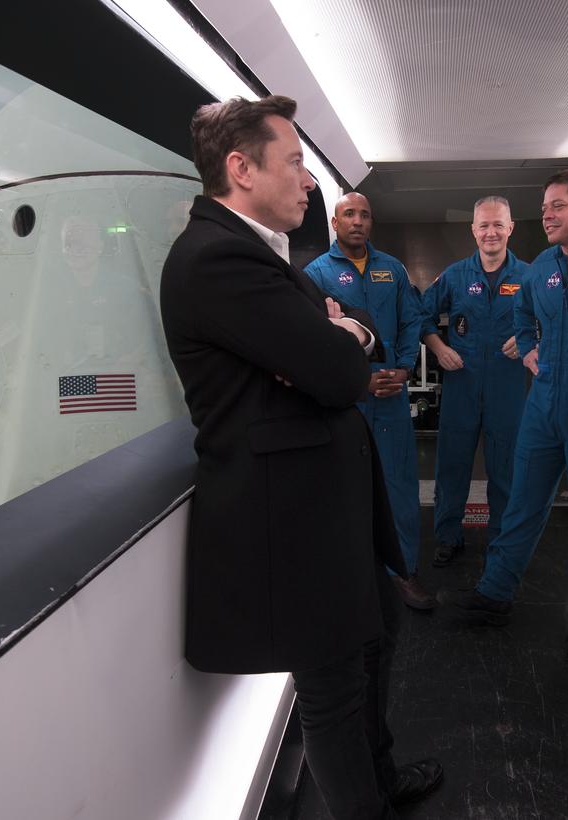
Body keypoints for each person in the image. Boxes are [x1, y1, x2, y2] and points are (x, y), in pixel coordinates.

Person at [159, 95, 441, 819]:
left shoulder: (260, 257)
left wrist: (340, 333)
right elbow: (340, 373)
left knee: (380, 636)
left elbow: (352, 343)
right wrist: (336, 342)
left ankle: (379, 782)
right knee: (334, 689)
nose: (310, 183)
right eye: (295, 163)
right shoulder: (218, 258)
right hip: (294, 518)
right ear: (240, 168)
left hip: (332, 507)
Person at [440, 169, 568, 656]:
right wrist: (527, 347)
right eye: (544, 207)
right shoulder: (543, 265)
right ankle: (495, 593)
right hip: (543, 404)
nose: (546, 214)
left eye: (558, 205)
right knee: (521, 502)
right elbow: (525, 315)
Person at [305, 193, 432, 610]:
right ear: (334, 221)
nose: (357, 221)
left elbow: (411, 320)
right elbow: (315, 344)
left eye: (364, 215)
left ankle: (403, 573)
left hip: (392, 398)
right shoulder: (315, 275)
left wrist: (406, 367)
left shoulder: (391, 269)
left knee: (399, 486)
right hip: (346, 403)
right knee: (346, 490)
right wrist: (361, 382)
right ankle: (355, 579)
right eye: (349, 214)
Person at [420, 196, 528, 566]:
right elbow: (421, 317)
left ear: (511, 227)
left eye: (498, 224)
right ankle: (448, 536)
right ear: (473, 230)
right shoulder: (454, 276)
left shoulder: (530, 277)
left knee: (506, 471)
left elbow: (554, 322)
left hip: (509, 387)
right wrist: (438, 347)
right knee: (451, 466)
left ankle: (502, 542)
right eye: (484, 225)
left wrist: (534, 338)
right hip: (462, 385)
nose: (491, 232)